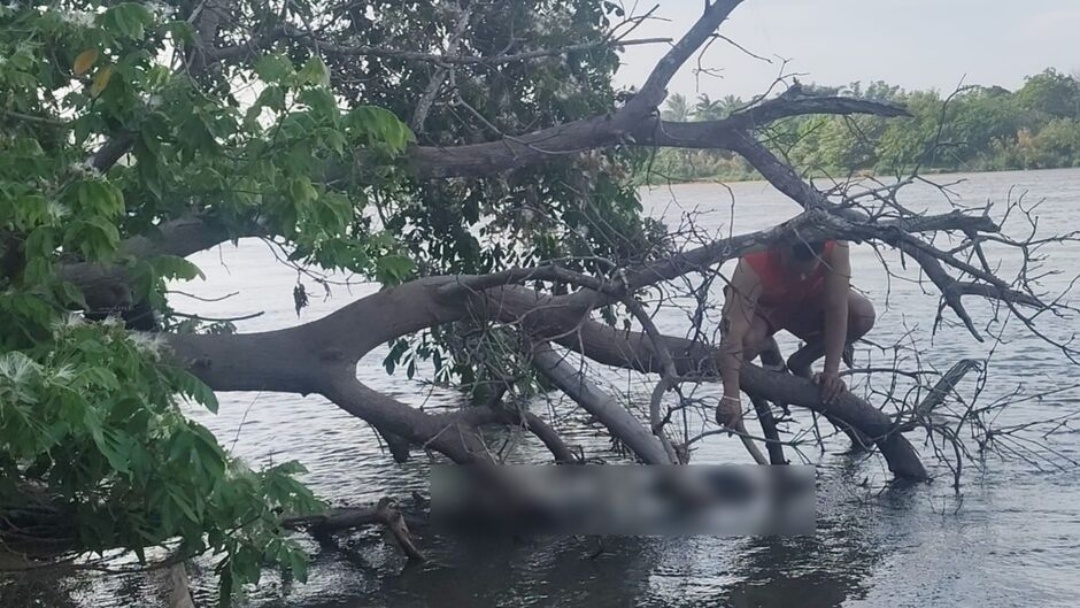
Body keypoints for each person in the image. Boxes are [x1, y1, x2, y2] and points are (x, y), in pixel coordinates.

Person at [716, 238, 876, 428]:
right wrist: (731, 396)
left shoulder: (836, 246)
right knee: (746, 346)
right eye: (795, 270)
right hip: (768, 307)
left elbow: (836, 307)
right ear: (781, 251)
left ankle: (801, 361)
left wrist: (831, 372)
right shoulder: (752, 263)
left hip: (809, 305)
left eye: (807, 272)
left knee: (862, 316)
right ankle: (768, 347)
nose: (801, 277)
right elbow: (731, 334)